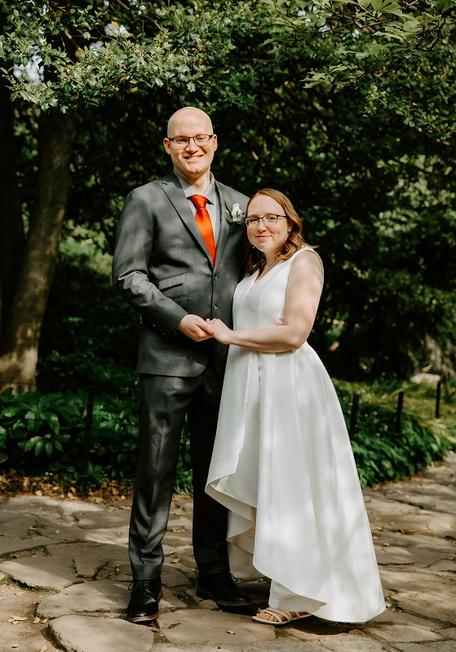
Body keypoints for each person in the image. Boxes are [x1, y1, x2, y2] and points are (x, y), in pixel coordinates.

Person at [205, 188, 386, 625]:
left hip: (288, 385)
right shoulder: (254, 269)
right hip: (250, 384)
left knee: (293, 485)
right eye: (251, 220)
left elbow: (293, 333)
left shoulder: (304, 261)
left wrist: (229, 336)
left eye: (270, 217)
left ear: (290, 222)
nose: (260, 226)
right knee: (269, 481)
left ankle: (298, 596)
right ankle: (281, 574)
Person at [112, 107, 252, 624]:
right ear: (167, 146)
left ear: (214, 142)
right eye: (181, 140)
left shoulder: (242, 206)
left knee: (216, 476)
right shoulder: (146, 200)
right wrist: (178, 318)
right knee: (154, 473)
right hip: (167, 357)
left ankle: (215, 576)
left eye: (200, 138)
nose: (192, 147)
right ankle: (145, 584)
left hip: (227, 362)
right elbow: (129, 275)